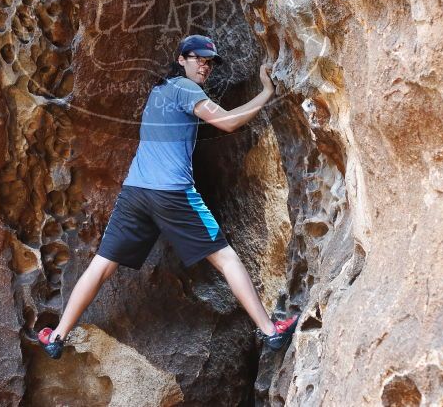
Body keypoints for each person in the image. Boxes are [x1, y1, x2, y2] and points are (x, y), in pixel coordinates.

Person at [25, 34, 299, 359]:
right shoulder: (187, 89)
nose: (205, 67)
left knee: (101, 265)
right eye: (199, 59)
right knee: (226, 258)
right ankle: (270, 331)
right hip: (172, 194)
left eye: (209, 63)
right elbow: (228, 122)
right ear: (181, 58)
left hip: (136, 193)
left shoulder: (158, 91)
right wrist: (266, 91)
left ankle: (57, 335)